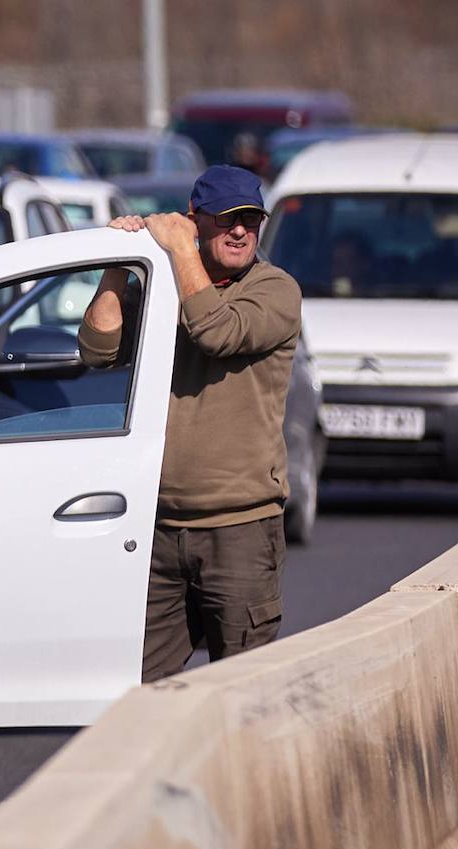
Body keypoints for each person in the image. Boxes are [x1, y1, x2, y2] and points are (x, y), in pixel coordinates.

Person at [77, 164, 302, 682]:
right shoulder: (160, 288)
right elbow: (97, 349)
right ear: (195, 220)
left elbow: (217, 332)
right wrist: (119, 267)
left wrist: (179, 249)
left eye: (250, 218)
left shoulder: (275, 290)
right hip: (156, 530)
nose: (241, 231)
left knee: (242, 692)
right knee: (139, 691)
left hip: (240, 528)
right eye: (226, 220)